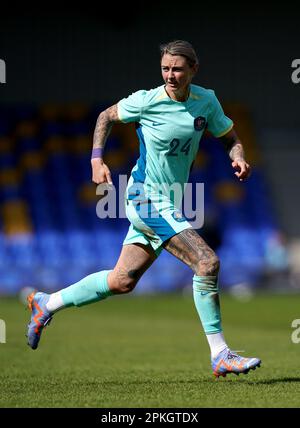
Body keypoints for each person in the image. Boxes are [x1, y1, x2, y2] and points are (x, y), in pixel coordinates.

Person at [26, 40, 261, 378]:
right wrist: (96, 159)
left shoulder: (206, 101)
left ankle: (46, 304)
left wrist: (237, 156)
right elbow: (105, 116)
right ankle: (220, 353)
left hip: (169, 202)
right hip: (145, 198)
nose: (170, 75)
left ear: (193, 69)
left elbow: (228, 135)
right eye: (165, 68)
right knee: (207, 262)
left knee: (121, 280)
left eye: (178, 69)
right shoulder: (147, 101)